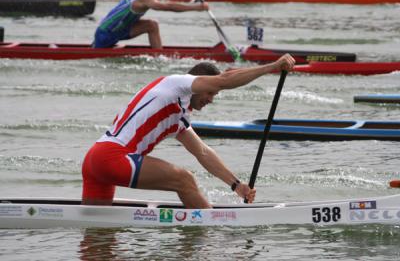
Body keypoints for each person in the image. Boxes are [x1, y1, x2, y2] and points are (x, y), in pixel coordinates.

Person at [81, 54, 296, 208]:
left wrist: (237, 185)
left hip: (94, 161)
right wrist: (272, 67)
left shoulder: (177, 113)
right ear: (198, 83)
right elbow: (225, 79)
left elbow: (202, 152)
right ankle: (211, 235)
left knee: (99, 236)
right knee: (185, 180)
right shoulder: (177, 84)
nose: (211, 99)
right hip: (113, 157)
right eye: (210, 93)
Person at [93, 0, 208, 48]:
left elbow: (168, 0)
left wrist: (192, 0)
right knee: (152, 25)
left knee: (152, 25)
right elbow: (167, 6)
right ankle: (159, 56)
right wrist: (196, 8)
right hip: (105, 34)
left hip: (118, 30)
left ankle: (159, 55)